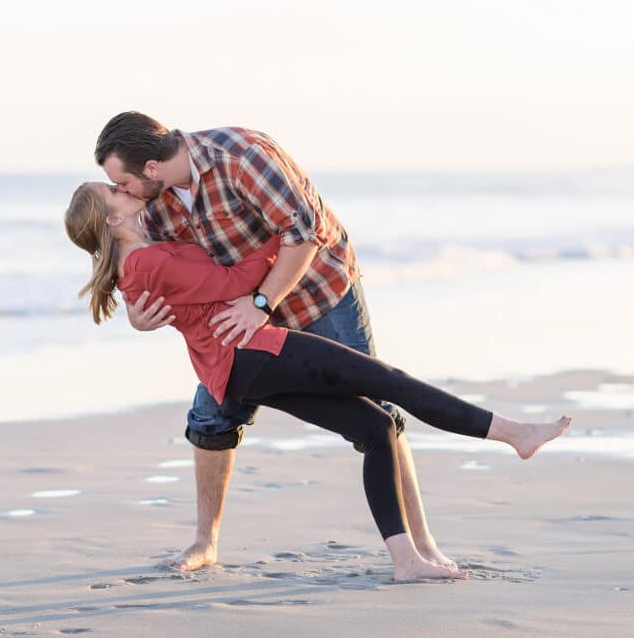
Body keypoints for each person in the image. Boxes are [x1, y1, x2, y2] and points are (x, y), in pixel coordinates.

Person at [65, 182, 570, 580]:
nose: (123, 188)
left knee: (375, 429)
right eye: (113, 191)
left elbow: (189, 292)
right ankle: (513, 433)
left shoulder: (140, 263)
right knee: (391, 382)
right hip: (256, 353)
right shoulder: (148, 260)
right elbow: (233, 282)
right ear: (113, 218)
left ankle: (406, 561)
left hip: (240, 372)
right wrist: (291, 237)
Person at [94, 111, 455, 572]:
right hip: (238, 312)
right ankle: (205, 543)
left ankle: (423, 546)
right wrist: (138, 316)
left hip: (317, 290)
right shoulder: (153, 201)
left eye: (120, 183)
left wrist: (262, 302)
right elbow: (143, 266)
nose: (121, 193)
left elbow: (305, 231)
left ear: (150, 168)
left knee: (376, 409)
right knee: (210, 419)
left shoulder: (240, 155)